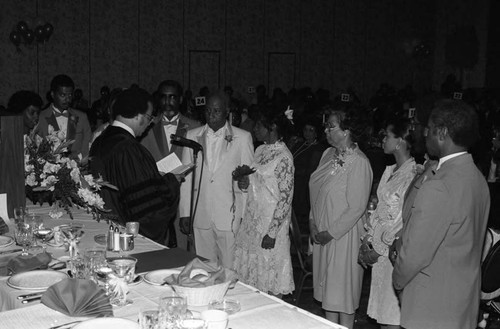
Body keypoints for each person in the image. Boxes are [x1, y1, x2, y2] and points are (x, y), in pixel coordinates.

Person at [392, 100, 490, 329]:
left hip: (431, 308)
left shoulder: (439, 185)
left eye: (429, 128)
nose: (425, 134)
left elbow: (414, 255)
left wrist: (397, 280)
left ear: (442, 133)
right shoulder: (477, 179)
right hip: (462, 304)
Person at [89, 87, 180, 245]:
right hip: (128, 236)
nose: (149, 124)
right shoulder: (129, 149)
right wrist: (172, 181)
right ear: (139, 116)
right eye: (149, 117)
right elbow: (147, 206)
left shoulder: (101, 140)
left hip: (106, 226)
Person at [309, 110, 372, 329]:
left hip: (344, 237)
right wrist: (312, 221)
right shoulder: (327, 154)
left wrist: (330, 233)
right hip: (323, 231)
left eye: (331, 126)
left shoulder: (360, 162)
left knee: (343, 297)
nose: (325, 130)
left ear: (347, 131)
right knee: (329, 296)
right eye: (326, 126)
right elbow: (317, 191)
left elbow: (356, 208)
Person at [179, 91, 254, 268]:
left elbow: (250, 179)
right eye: (207, 111)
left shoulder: (242, 138)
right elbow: (186, 178)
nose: (211, 115)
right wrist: (185, 212)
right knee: (205, 266)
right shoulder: (192, 136)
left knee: (230, 266)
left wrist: (245, 215)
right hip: (201, 211)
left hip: (229, 214)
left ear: (226, 111)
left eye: (216, 111)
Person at [361, 118, 416, 329]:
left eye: (387, 136)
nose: (382, 139)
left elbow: (403, 219)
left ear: (400, 141)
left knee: (392, 316)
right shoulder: (389, 170)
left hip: (392, 249)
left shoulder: (413, 173)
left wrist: (380, 248)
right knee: (383, 316)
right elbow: (377, 209)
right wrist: (367, 241)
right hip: (378, 247)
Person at [233, 110, 295, 297]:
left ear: (273, 128)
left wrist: (272, 232)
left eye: (259, 125)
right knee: (250, 279)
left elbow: (285, 198)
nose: (255, 129)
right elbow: (256, 184)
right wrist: (245, 184)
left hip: (270, 224)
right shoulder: (260, 150)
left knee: (270, 277)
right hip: (252, 220)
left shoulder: (284, 157)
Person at [141, 80, 200, 248]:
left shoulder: (195, 127)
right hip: (155, 199)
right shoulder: (146, 126)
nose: (167, 102)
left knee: (184, 250)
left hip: (184, 198)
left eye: (172, 97)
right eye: (164, 97)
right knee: (155, 249)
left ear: (180, 99)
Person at [37, 74, 92, 159]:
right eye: (63, 95)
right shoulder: (41, 117)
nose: (68, 99)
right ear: (52, 94)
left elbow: (87, 147)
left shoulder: (82, 117)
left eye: (70, 95)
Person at [291, 116, 327, 234]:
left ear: (316, 133)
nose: (307, 133)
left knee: (302, 214)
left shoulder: (318, 148)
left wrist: (294, 171)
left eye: (311, 130)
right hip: (294, 182)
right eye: (305, 129)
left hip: (305, 185)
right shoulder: (299, 144)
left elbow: (311, 170)